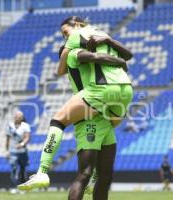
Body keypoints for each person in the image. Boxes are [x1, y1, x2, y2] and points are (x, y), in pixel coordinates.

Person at [19, 16, 133, 198]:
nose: (66, 39)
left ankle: (43, 171)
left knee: (94, 173)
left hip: (94, 104)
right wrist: (119, 62)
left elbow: (70, 66)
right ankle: (87, 175)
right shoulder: (73, 55)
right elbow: (92, 57)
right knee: (97, 174)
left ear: (77, 25)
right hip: (102, 106)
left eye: (66, 33)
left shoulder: (77, 51)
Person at [6, 111, 30, 194]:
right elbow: (8, 139)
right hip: (13, 151)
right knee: (14, 169)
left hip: (23, 151)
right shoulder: (10, 126)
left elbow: (27, 138)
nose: (16, 117)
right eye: (15, 116)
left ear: (22, 118)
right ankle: (15, 187)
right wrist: (7, 151)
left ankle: (23, 188)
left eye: (18, 116)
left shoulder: (25, 126)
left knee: (23, 170)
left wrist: (22, 144)